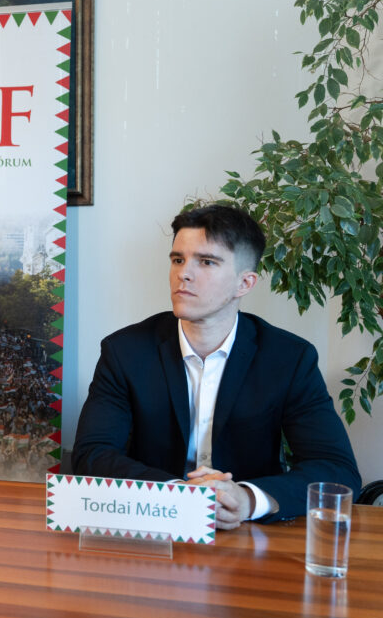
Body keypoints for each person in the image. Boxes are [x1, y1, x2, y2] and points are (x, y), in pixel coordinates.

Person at [72, 204, 361, 529]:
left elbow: (337, 470)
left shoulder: (289, 359)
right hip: (153, 525)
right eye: (178, 259)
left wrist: (247, 499)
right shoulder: (125, 351)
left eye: (206, 262)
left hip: (249, 533)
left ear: (245, 283)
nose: (184, 273)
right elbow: (91, 453)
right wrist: (177, 494)